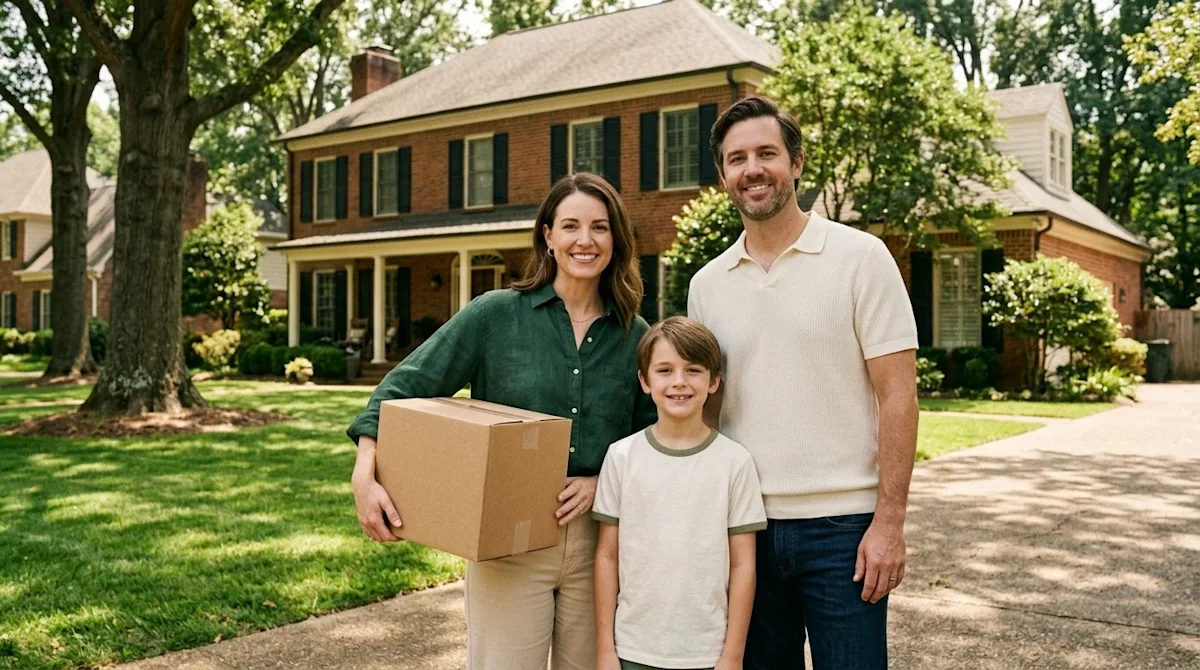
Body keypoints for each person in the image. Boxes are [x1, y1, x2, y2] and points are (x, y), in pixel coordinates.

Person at [346, 172, 657, 670]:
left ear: (616, 239)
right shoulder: (496, 316)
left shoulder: (634, 334)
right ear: (548, 237)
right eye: (571, 226)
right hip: (508, 541)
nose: (585, 240)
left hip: (601, 543)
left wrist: (602, 480)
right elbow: (399, 391)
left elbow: (653, 440)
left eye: (600, 227)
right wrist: (365, 473)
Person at [687, 96, 919, 669]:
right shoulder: (706, 285)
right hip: (746, 527)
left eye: (767, 153)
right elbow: (704, 415)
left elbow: (899, 395)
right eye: (737, 159)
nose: (753, 169)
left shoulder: (862, 258)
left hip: (845, 532)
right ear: (724, 178)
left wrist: (889, 522)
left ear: (796, 164)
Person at [593, 316, 767, 670]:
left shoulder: (735, 463)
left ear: (714, 381)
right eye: (665, 370)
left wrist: (732, 657)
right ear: (644, 380)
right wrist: (605, 651)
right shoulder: (622, 457)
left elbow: (743, 564)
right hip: (633, 649)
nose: (678, 383)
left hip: (706, 652)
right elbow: (607, 558)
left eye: (693, 370)